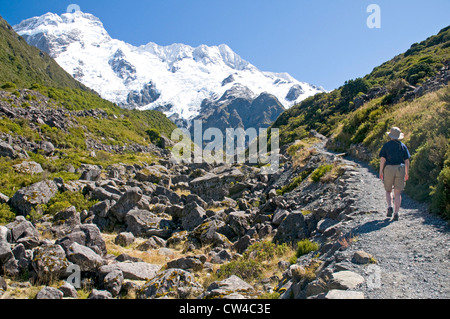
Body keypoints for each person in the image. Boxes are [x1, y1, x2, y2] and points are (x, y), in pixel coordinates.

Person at [379, 127, 411, 221]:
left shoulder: (386, 145)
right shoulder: (402, 146)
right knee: (397, 193)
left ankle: (389, 207)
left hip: (389, 168)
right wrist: (406, 173)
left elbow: (382, 160)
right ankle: (396, 213)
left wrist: (381, 172)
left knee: (388, 190)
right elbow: (407, 161)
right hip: (400, 168)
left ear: (390, 136)